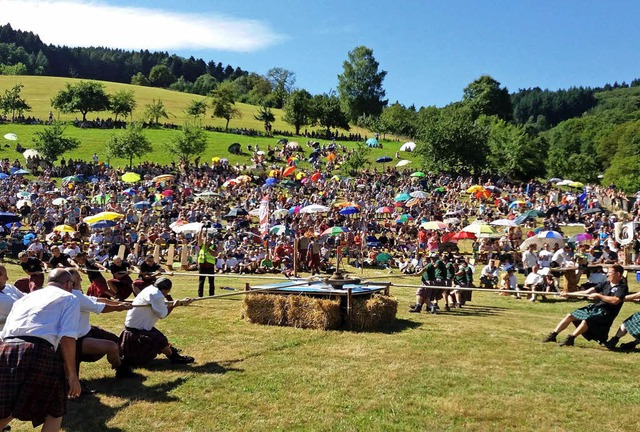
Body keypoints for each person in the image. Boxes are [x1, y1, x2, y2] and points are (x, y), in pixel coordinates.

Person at [0, 268, 81, 431]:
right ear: (67, 284)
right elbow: (67, 337)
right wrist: (72, 374)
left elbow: (5, 332)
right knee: (55, 410)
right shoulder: (69, 298)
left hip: (6, 349)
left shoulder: (24, 298)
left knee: (8, 405)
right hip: (38, 351)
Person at [66, 268, 136, 383]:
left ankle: (121, 367)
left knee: (115, 340)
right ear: (72, 282)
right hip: (76, 339)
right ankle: (120, 369)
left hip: (86, 331)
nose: (82, 279)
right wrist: (120, 308)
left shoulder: (75, 293)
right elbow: (101, 308)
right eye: (79, 278)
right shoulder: (74, 296)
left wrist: (119, 303)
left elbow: (98, 299)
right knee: (112, 346)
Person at [542, 264, 628, 346]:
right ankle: (553, 335)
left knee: (587, 320)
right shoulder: (605, 284)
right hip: (596, 308)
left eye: (610, 272)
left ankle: (571, 339)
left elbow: (615, 300)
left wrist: (599, 296)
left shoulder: (622, 287)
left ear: (618, 274)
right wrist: (569, 294)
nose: (607, 274)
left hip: (606, 313)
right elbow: (587, 292)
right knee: (570, 316)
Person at [119, 278, 195, 368]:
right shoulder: (156, 295)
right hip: (138, 329)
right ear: (167, 290)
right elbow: (163, 314)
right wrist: (174, 306)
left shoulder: (150, 289)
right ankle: (174, 358)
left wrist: (182, 302)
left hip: (134, 326)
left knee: (159, 338)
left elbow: (161, 304)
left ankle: (172, 354)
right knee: (160, 340)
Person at [0, 265, 24, 332]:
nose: (7, 278)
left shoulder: (8, 287)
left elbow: (25, 297)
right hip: (7, 334)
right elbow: (21, 311)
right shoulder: (2, 301)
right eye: (4, 275)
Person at [197, 229, 216, 297]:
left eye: (208, 239)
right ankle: (200, 295)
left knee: (211, 282)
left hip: (210, 266)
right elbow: (199, 239)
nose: (206, 240)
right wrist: (201, 230)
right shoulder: (201, 245)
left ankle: (211, 294)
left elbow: (215, 254)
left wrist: (208, 248)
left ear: (210, 240)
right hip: (202, 266)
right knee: (201, 282)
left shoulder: (213, 246)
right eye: (206, 239)